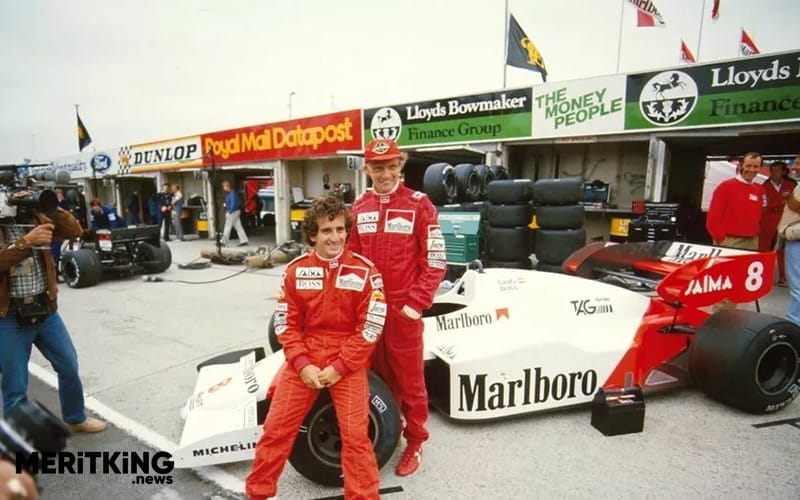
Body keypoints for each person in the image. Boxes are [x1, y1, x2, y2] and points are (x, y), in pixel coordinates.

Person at [246, 195, 384, 500]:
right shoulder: (294, 271)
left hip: (347, 360)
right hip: (304, 358)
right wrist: (301, 363)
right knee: (275, 430)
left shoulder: (366, 272)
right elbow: (285, 324)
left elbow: (370, 329)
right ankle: (258, 494)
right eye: (326, 231)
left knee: (356, 437)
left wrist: (340, 367)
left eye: (339, 229)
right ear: (312, 235)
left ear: (347, 230)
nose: (334, 237)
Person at [346, 139, 446, 477]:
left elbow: (435, 260)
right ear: (367, 169)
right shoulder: (359, 207)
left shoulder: (420, 205)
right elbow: (352, 261)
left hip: (404, 308)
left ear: (400, 165)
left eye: (391, 166)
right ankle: (388, 428)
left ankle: (416, 440)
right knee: (374, 376)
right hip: (369, 310)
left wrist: (415, 305)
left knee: (410, 379)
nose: (385, 173)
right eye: (378, 167)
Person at [0, 191, 106, 434]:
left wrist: (49, 207)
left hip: (45, 309)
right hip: (9, 316)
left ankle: (75, 417)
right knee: (15, 383)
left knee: (68, 364)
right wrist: (26, 242)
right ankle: (19, 438)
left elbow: (74, 231)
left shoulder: (38, 217)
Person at [706, 152, 765, 250]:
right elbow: (713, 218)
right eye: (748, 166)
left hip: (752, 241)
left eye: (756, 166)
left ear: (760, 168)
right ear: (741, 166)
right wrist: (721, 240)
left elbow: (760, 216)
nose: (752, 169)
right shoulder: (726, 186)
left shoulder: (759, 189)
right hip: (731, 241)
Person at [759, 161, 797, 287]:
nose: (774, 173)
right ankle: (761, 277)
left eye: (777, 170)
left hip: (785, 218)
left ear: (784, 172)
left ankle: (783, 277)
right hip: (768, 218)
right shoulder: (763, 185)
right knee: (764, 249)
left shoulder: (792, 184)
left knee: (783, 249)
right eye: (772, 171)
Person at [778, 174, 800, 325]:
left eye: (799, 162)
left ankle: (794, 324)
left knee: (798, 287)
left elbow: (793, 204)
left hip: (797, 239)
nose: (794, 166)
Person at [221, 180, 248, 246]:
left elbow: (233, 204)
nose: (223, 188)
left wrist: (230, 211)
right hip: (236, 211)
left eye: (224, 186)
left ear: (227, 186)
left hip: (232, 212)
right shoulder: (233, 193)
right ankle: (244, 240)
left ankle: (224, 242)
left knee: (227, 226)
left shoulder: (231, 194)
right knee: (238, 227)